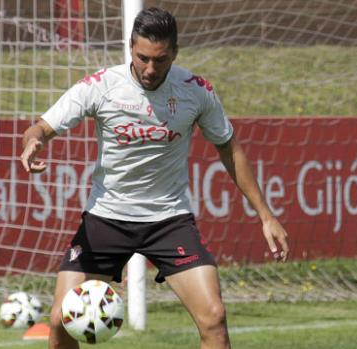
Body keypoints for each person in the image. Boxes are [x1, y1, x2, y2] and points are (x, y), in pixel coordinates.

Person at [20, 7, 289, 349]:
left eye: (160, 60)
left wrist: (266, 216)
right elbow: (41, 127)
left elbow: (230, 148)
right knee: (60, 322)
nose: (150, 69)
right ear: (130, 47)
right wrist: (33, 143)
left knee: (214, 319)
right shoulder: (101, 86)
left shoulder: (196, 90)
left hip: (168, 221)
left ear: (175, 53)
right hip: (106, 218)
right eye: (142, 57)